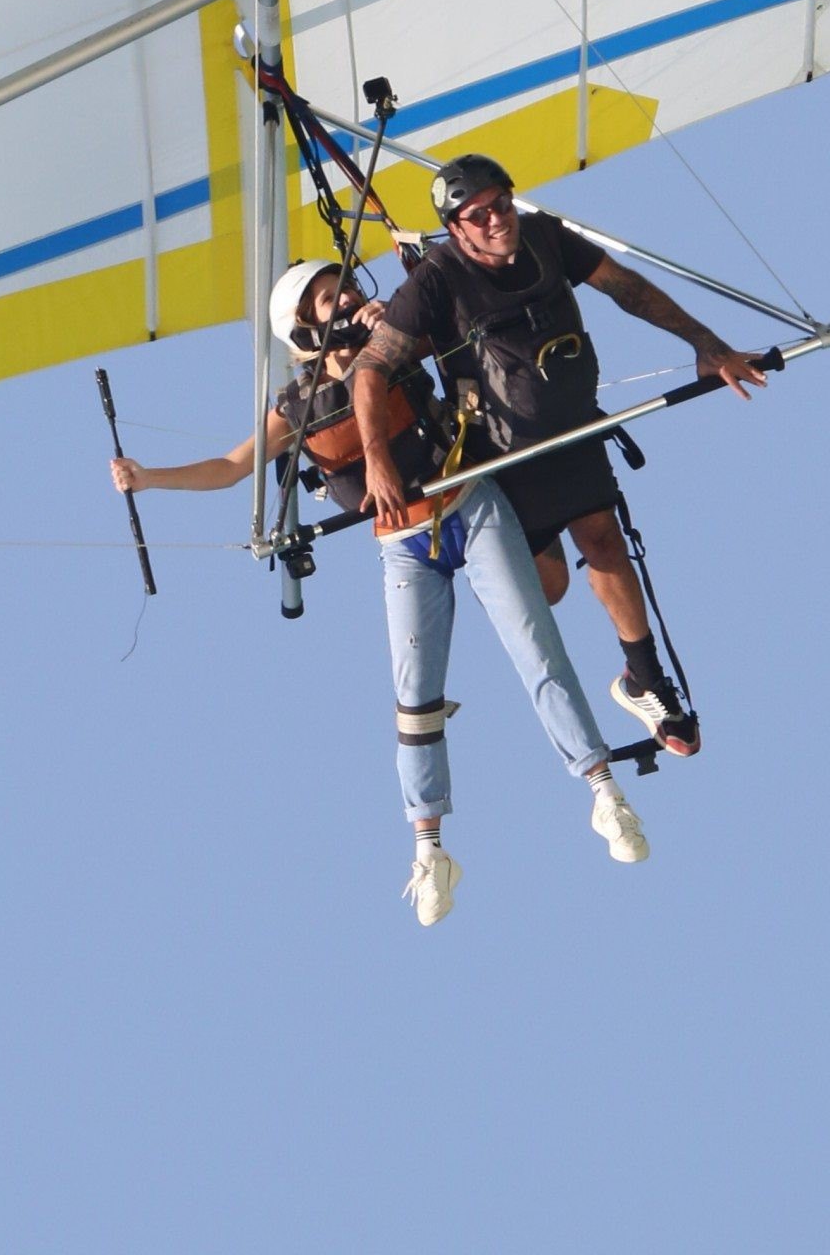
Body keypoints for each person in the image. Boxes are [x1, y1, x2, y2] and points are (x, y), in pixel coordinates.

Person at [110, 259, 651, 928]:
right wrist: (149, 478)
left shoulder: (391, 342)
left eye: (344, 288)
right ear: (303, 330)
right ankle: (430, 851)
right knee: (415, 700)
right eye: (327, 299)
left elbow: (459, 326)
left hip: (470, 503)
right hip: (404, 546)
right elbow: (230, 466)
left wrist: (393, 321)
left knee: (534, 645)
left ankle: (604, 791)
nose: (345, 299)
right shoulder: (296, 406)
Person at [353, 155, 768, 759]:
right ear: (456, 229)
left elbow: (627, 289)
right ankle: (526, 566)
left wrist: (707, 343)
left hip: (571, 428)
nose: (497, 219)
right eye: (478, 215)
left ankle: (645, 681)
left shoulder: (546, 237)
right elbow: (370, 368)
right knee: (546, 589)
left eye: (501, 203)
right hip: (501, 455)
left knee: (603, 539)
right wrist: (377, 460)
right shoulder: (435, 279)